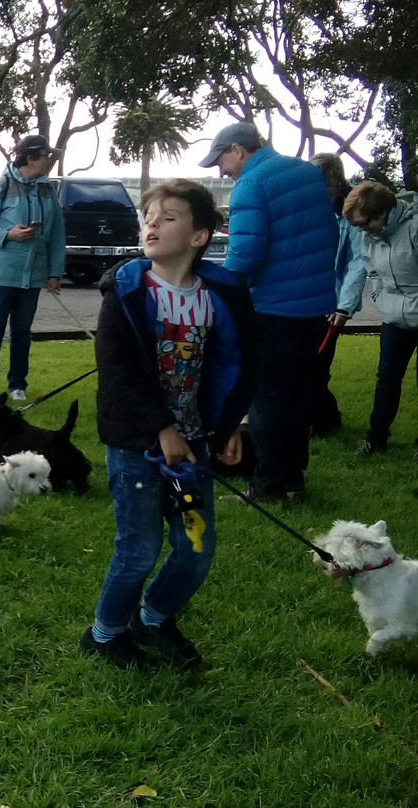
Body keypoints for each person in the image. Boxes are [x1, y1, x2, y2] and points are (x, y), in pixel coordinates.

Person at [80, 179, 257, 669]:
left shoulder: (219, 295)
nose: (152, 223)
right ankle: (104, 634)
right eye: (149, 216)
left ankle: (153, 617)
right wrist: (161, 427)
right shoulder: (128, 291)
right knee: (139, 549)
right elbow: (118, 371)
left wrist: (229, 424)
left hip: (192, 446)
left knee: (195, 545)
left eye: (169, 217)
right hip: (137, 445)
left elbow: (233, 364)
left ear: (199, 236)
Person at [199, 122, 337, 502]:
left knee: (266, 399)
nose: (221, 170)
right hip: (313, 308)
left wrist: (214, 285)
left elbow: (245, 255)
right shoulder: (307, 172)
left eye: (221, 160)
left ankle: (268, 485)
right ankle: (292, 480)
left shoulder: (250, 183)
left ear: (238, 149)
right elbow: (330, 233)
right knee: (298, 396)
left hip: (273, 308)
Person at [0, 134, 65, 404]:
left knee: (22, 331)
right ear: (30, 158)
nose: (49, 161)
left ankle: (18, 385)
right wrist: (7, 234)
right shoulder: (1, 185)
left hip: (33, 275)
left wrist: (55, 273)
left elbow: (57, 234)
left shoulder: (47, 190)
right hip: (0, 272)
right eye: (45, 156)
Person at [343, 181, 418, 460]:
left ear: (384, 212)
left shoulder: (414, 228)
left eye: (364, 223)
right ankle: (375, 438)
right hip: (394, 317)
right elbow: (372, 272)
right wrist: (380, 298)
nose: (361, 230)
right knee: (386, 377)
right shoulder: (368, 237)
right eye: (356, 225)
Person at [309, 152, 367, 435]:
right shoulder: (304, 208)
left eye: (328, 186)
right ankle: (322, 419)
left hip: (331, 305)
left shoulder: (350, 215)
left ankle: (323, 421)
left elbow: (358, 263)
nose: (322, 192)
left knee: (319, 366)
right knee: (303, 365)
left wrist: (344, 307)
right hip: (301, 300)